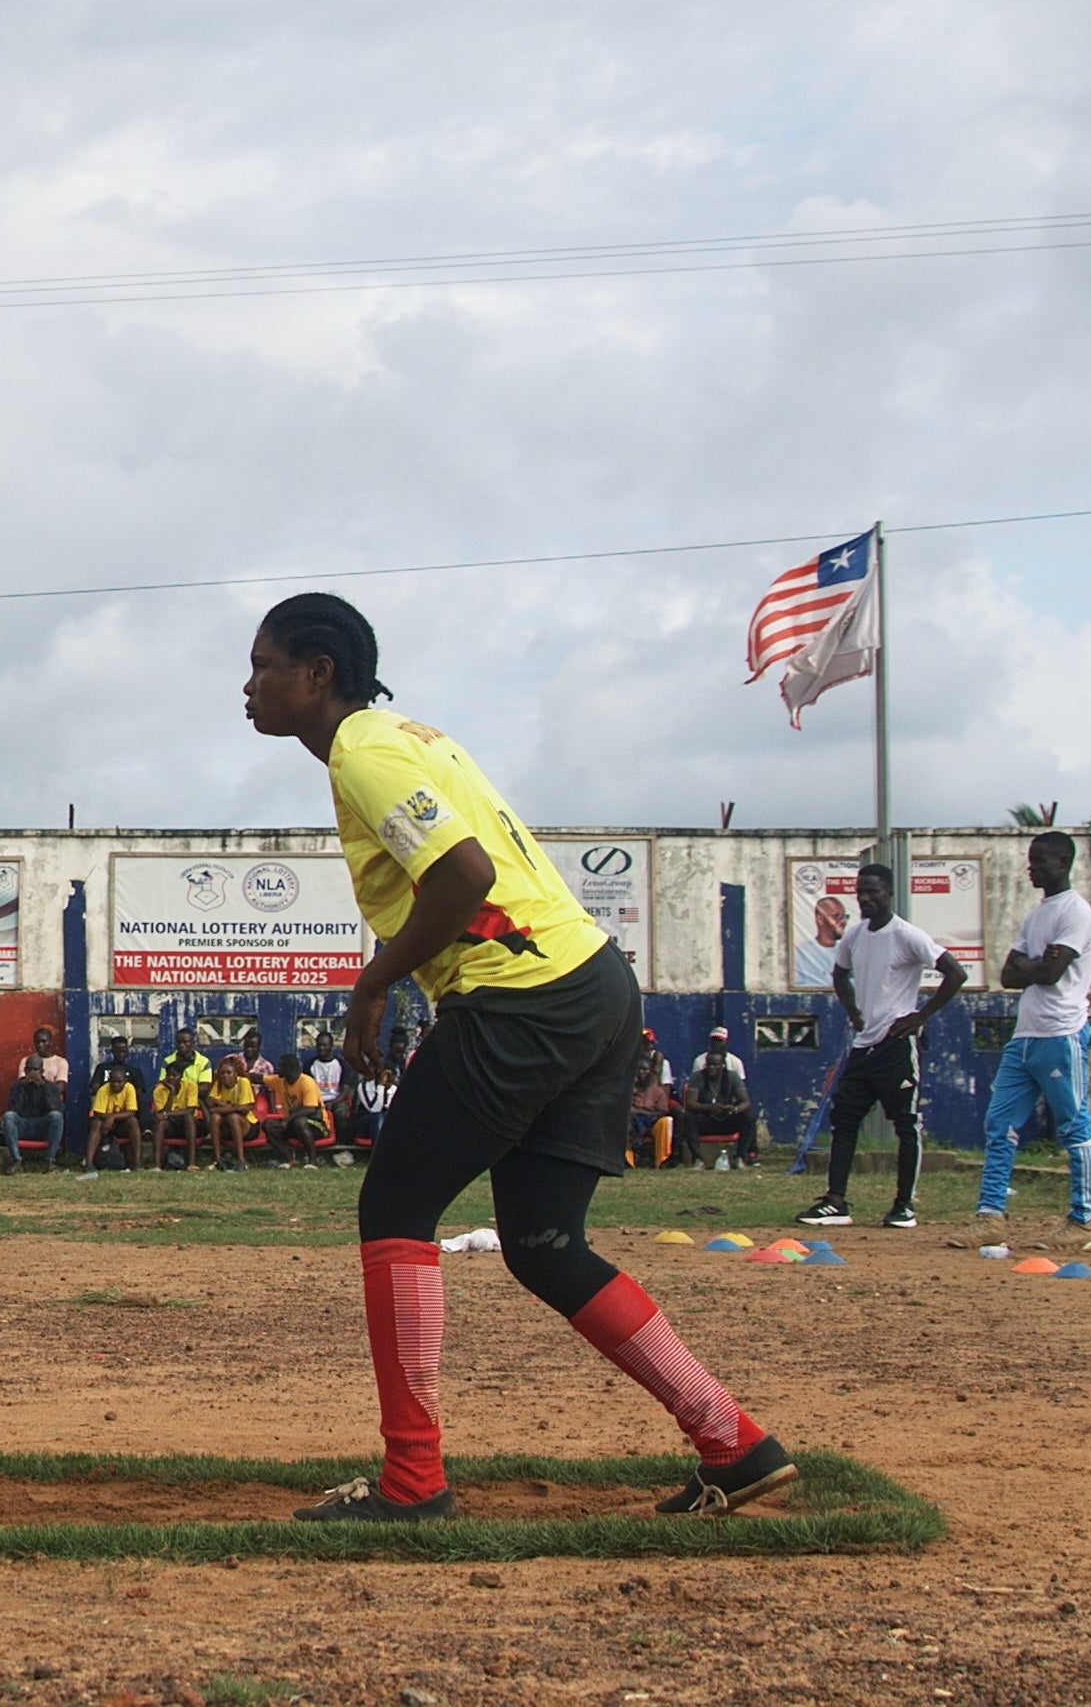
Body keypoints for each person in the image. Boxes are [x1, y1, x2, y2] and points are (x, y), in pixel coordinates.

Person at [244, 591, 789, 1522]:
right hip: (596, 989)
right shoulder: (410, 737)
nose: (247, 688)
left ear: (316, 674)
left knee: (397, 1206)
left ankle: (414, 1480)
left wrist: (373, 984)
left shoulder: (363, 749)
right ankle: (734, 1443)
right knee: (544, 1246)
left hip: (521, 998)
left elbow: (466, 876)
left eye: (261, 667)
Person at [795, 863, 966, 1228]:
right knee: (844, 1120)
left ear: (889, 893)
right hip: (864, 1044)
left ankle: (904, 1206)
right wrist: (854, 1012)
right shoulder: (855, 936)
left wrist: (921, 1015)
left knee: (906, 1124)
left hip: (896, 1045)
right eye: (861, 892)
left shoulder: (907, 935)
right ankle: (836, 1201)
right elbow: (839, 973)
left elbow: (955, 972)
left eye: (873, 892)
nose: (866, 898)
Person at [969, 832, 1091, 1249]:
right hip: (1025, 1035)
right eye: (1030, 860)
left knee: (1074, 1126)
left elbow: (1048, 975)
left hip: (1060, 1033)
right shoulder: (1036, 916)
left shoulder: (1076, 913)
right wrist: (1034, 964)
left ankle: (1081, 1222)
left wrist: (1031, 965)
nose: (1032, 867)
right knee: (998, 1124)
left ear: (1063, 862)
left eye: (1040, 860)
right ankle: (990, 1217)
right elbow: (1008, 975)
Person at [683, 1028, 754, 1166]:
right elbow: (690, 1103)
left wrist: (733, 1109)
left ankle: (740, 1157)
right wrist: (709, 1108)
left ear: (723, 1065)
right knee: (689, 1117)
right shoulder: (698, 1077)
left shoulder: (732, 1076)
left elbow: (746, 1102)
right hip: (706, 1119)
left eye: (715, 1065)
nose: (711, 1068)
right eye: (709, 1065)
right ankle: (698, 1159)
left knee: (748, 1117)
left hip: (726, 1118)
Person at [261, 1051, 327, 1167]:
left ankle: (312, 1161)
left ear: (288, 1069)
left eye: (280, 1066)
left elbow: (310, 1109)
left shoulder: (307, 1082)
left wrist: (287, 1120)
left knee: (299, 1121)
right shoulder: (280, 1081)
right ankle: (289, 1159)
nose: (278, 1069)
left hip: (317, 1125)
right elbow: (259, 1078)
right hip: (293, 1123)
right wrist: (240, 1073)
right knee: (269, 1125)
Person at [2, 1053, 64, 1171]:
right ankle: (17, 1160)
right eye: (29, 1069)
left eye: (35, 1070)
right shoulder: (17, 1086)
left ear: (42, 1071)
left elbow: (54, 1107)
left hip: (42, 1127)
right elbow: (14, 1109)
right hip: (23, 1125)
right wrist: (22, 1088)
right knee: (8, 1116)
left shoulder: (51, 1087)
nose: (32, 1073)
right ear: (25, 1071)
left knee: (57, 1116)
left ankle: (50, 1161)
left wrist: (43, 1087)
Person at [153, 1040, 205, 1170]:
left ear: (181, 1076)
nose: (171, 1078)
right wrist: (171, 1093)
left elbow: (190, 1110)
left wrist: (166, 1114)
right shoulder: (159, 1090)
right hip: (171, 1124)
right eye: (168, 1075)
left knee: (188, 1118)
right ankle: (157, 1165)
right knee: (160, 1124)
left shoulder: (191, 1086)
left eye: (174, 1075)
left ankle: (192, 1163)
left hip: (189, 1124)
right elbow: (160, 1114)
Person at [629, 1042, 679, 1169]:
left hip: (652, 1121)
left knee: (666, 1121)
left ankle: (662, 1160)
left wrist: (642, 1112)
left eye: (644, 1070)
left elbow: (663, 1111)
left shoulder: (658, 1091)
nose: (641, 1073)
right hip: (633, 1121)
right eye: (638, 1070)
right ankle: (628, 1161)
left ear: (651, 1072)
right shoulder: (629, 1090)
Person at [86, 1058, 142, 1170]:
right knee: (96, 1124)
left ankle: (137, 1162)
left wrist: (112, 1117)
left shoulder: (130, 1088)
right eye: (113, 1082)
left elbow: (132, 1112)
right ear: (109, 1080)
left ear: (125, 1080)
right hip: (104, 1124)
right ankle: (89, 1163)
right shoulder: (103, 1089)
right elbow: (97, 1113)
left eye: (119, 1082)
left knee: (133, 1122)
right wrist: (109, 1119)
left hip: (121, 1124)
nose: (116, 1085)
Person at [206, 1054, 257, 1170]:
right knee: (214, 1117)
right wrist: (236, 1107)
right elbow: (210, 1105)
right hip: (226, 1124)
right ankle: (218, 1160)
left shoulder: (243, 1082)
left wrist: (220, 1105)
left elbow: (244, 1110)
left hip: (248, 1125)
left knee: (233, 1117)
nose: (225, 1076)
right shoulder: (218, 1084)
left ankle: (241, 1161)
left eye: (229, 1073)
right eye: (222, 1073)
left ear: (235, 1074)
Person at [795, 893, 850, 990]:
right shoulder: (801, 954)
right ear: (820, 919)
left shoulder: (848, 951)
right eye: (836, 916)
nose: (842, 921)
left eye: (844, 917)